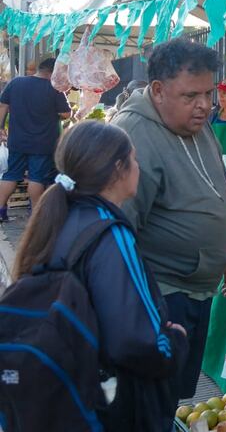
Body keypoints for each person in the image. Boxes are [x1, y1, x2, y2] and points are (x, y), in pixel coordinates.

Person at [11, 121, 187, 431]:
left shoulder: (61, 218)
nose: (138, 166)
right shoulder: (110, 233)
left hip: (61, 392)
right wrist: (173, 342)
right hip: (102, 403)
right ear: (118, 169)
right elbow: (133, 340)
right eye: (133, 159)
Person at [112, 40, 226, 404]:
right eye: (190, 96)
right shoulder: (134, 135)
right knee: (152, 399)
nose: (204, 105)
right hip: (162, 294)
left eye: (208, 92)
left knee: (174, 394)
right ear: (158, 90)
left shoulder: (199, 126)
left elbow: (218, 190)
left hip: (196, 290)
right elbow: (119, 231)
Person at [0, 57, 71, 220]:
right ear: (52, 72)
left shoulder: (16, 83)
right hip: (43, 143)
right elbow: (66, 113)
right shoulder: (54, 88)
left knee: (11, 174)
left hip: (17, 140)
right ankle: (36, 215)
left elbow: (2, 105)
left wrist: (0, 127)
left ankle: (1, 210)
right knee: (36, 177)